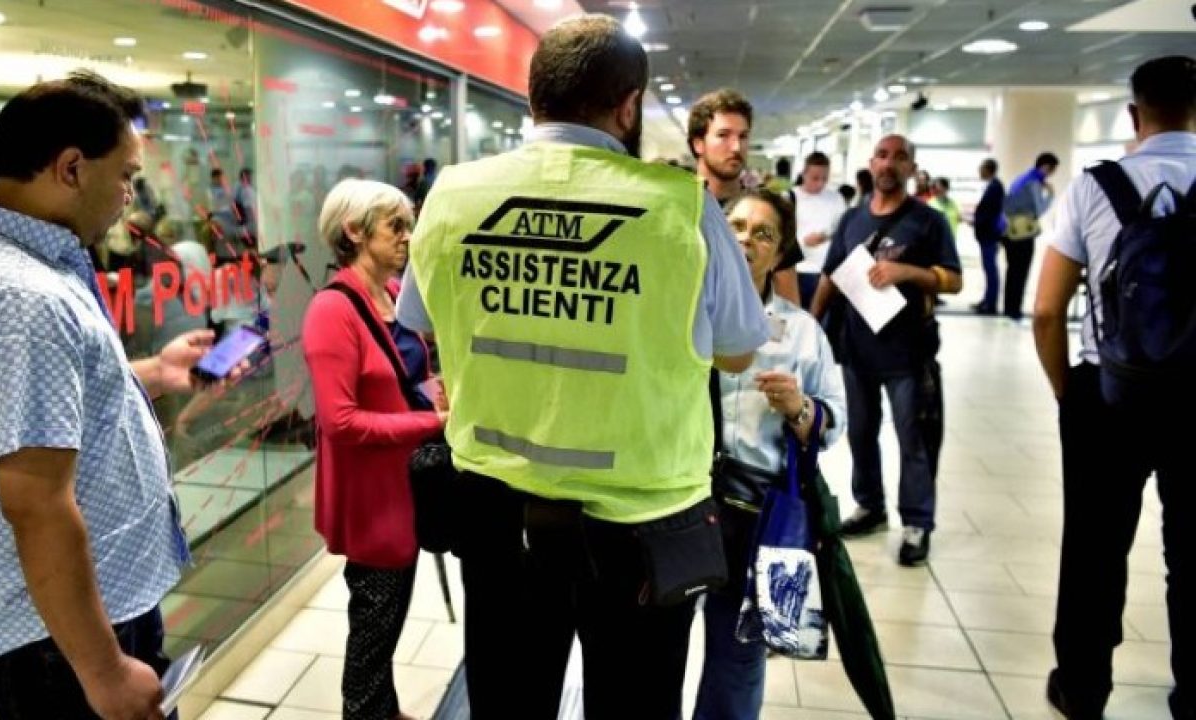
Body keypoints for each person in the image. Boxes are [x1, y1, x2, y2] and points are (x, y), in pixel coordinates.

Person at [396, 15, 768, 720]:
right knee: (635, 704)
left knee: (506, 700)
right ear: (628, 106)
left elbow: (422, 321)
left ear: (533, 96)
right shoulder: (682, 209)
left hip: (499, 516)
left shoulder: (453, 194)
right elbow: (737, 349)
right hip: (643, 528)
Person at [0, 71, 221, 720]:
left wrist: (155, 372)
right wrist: (105, 671)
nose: (130, 198)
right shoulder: (19, 296)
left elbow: (39, 405)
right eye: (127, 176)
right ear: (72, 169)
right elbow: (37, 507)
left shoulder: (7, 254)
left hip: (66, 625)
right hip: (59, 640)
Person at [1031, 54, 1196, 720]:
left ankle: (1083, 686)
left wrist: (1065, 388)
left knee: (1095, 549)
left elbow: (1046, 310)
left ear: (1135, 112)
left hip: (1109, 393)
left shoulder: (1094, 188)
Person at [694, 189, 847, 720]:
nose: (745, 239)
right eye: (735, 225)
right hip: (680, 508)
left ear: (781, 254)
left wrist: (800, 407)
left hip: (757, 515)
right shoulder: (678, 314)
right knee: (657, 647)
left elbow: (833, 422)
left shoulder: (801, 332)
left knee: (740, 653)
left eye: (763, 234)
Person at [303, 178, 445, 720]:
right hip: (373, 504)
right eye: (396, 226)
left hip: (401, 491)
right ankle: (367, 710)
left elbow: (408, 375)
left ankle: (383, 708)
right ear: (354, 232)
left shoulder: (387, 295)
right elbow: (340, 422)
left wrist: (438, 397)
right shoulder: (332, 310)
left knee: (386, 624)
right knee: (374, 628)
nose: (408, 237)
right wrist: (430, 422)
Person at [809, 134, 962, 566]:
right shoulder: (853, 219)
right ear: (870, 164)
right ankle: (870, 505)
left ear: (912, 168)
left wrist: (907, 272)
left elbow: (953, 279)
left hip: (908, 354)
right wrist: (811, 324)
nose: (889, 163)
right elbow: (831, 277)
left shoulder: (929, 222)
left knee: (913, 439)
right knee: (860, 433)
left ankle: (917, 522)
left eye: (899, 157)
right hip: (858, 351)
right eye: (881, 155)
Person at [688, 89, 801, 304]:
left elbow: (789, 304)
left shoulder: (768, 211)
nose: (736, 147)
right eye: (723, 135)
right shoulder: (676, 208)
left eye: (743, 136)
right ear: (698, 143)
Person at [1001, 151, 1059, 320]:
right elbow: (1039, 210)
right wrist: (1051, 195)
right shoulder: (1034, 183)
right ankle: (1014, 310)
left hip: (1011, 232)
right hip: (1024, 234)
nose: (1052, 174)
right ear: (1046, 167)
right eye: (1052, 170)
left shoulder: (1020, 179)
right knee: (1021, 271)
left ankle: (1008, 308)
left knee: (1012, 272)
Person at [791, 151, 849, 310]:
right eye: (815, 178)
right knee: (790, 321)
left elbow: (844, 231)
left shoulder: (836, 199)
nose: (820, 184)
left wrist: (825, 237)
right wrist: (802, 240)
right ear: (804, 174)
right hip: (794, 271)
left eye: (824, 179)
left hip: (825, 273)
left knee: (819, 324)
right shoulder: (789, 198)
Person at [970, 158, 1004, 315]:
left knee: (991, 269)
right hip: (987, 235)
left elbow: (990, 213)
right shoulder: (992, 186)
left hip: (989, 236)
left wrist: (978, 222)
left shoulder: (995, 187)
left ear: (988, 169)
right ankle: (987, 300)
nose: (979, 172)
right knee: (988, 269)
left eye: (981, 168)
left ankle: (991, 304)